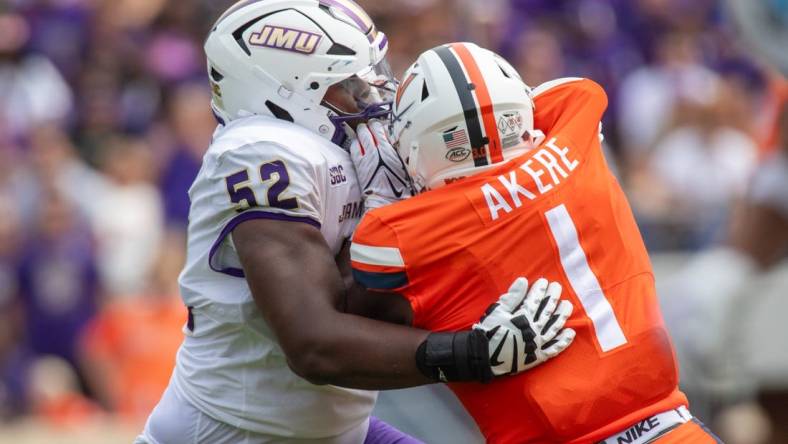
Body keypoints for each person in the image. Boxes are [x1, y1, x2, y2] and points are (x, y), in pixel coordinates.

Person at [136, 2, 575, 443]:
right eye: (346, 80)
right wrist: (473, 352)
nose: (371, 92)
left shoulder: (339, 144)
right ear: (284, 91)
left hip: (335, 430)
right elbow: (315, 346)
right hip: (233, 433)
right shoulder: (261, 153)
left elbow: (364, 306)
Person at [349, 42, 721, 443]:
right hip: (674, 427)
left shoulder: (399, 234)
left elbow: (344, 321)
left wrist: (384, 199)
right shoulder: (576, 119)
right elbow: (556, 95)